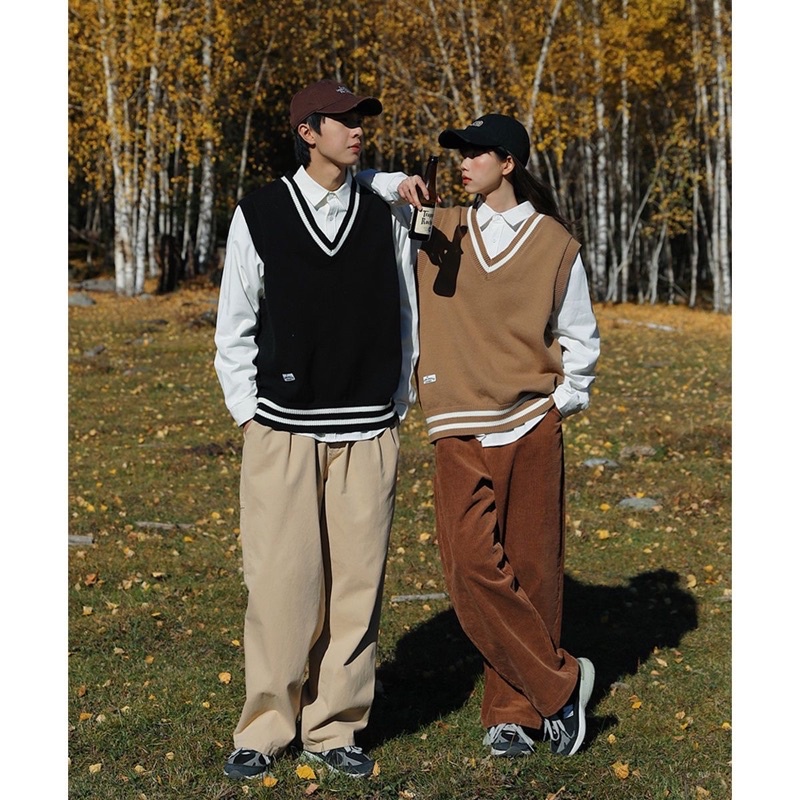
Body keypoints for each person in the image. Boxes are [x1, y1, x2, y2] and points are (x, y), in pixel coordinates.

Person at [358, 113, 600, 759]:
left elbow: (580, 335)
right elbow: (345, 182)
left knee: (533, 571)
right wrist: (395, 182)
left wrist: (560, 403)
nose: (463, 163)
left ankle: (513, 716)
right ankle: (561, 685)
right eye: (459, 154)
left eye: (476, 153)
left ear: (508, 163)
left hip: (530, 423)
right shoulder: (435, 225)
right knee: (469, 568)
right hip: (457, 424)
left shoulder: (554, 242)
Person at [214, 78, 418, 781]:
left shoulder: (385, 212)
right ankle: (266, 727)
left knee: (357, 590)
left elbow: (405, 310)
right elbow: (235, 322)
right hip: (282, 429)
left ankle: (335, 728)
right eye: (343, 120)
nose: (358, 129)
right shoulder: (260, 213)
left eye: (362, 119)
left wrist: (397, 401)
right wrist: (250, 413)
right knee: (280, 584)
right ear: (308, 132)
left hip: (367, 428)